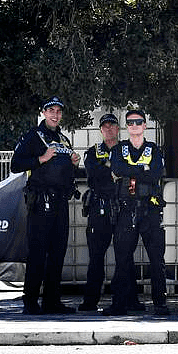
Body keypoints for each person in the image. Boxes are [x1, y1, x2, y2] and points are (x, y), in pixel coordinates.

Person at [11, 96, 81, 315]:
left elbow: (67, 173)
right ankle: (30, 302)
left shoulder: (63, 139)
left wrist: (74, 164)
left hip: (61, 202)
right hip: (41, 202)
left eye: (59, 111)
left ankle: (52, 301)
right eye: (51, 110)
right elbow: (15, 165)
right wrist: (41, 159)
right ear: (43, 112)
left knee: (58, 252)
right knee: (38, 253)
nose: (55, 115)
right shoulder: (33, 136)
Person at [103, 108, 168, 316]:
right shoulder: (119, 148)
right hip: (126, 209)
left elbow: (157, 173)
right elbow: (117, 169)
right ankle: (119, 304)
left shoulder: (154, 149)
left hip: (150, 209)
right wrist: (143, 170)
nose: (134, 126)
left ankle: (160, 303)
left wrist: (133, 171)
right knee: (122, 258)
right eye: (130, 123)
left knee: (157, 258)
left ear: (145, 125)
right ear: (126, 126)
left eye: (138, 122)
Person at [78, 113, 121, 312]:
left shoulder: (125, 149)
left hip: (121, 206)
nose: (109, 129)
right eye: (105, 126)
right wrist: (112, 170)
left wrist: (110, 168)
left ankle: (124, 300)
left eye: (112, 125)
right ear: (101, 129)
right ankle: (90, 301)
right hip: (99, 207)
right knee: (96, 256)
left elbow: (128, 170)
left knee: (124, 256)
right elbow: (93, 173)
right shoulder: (92, 151)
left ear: (118, 128)